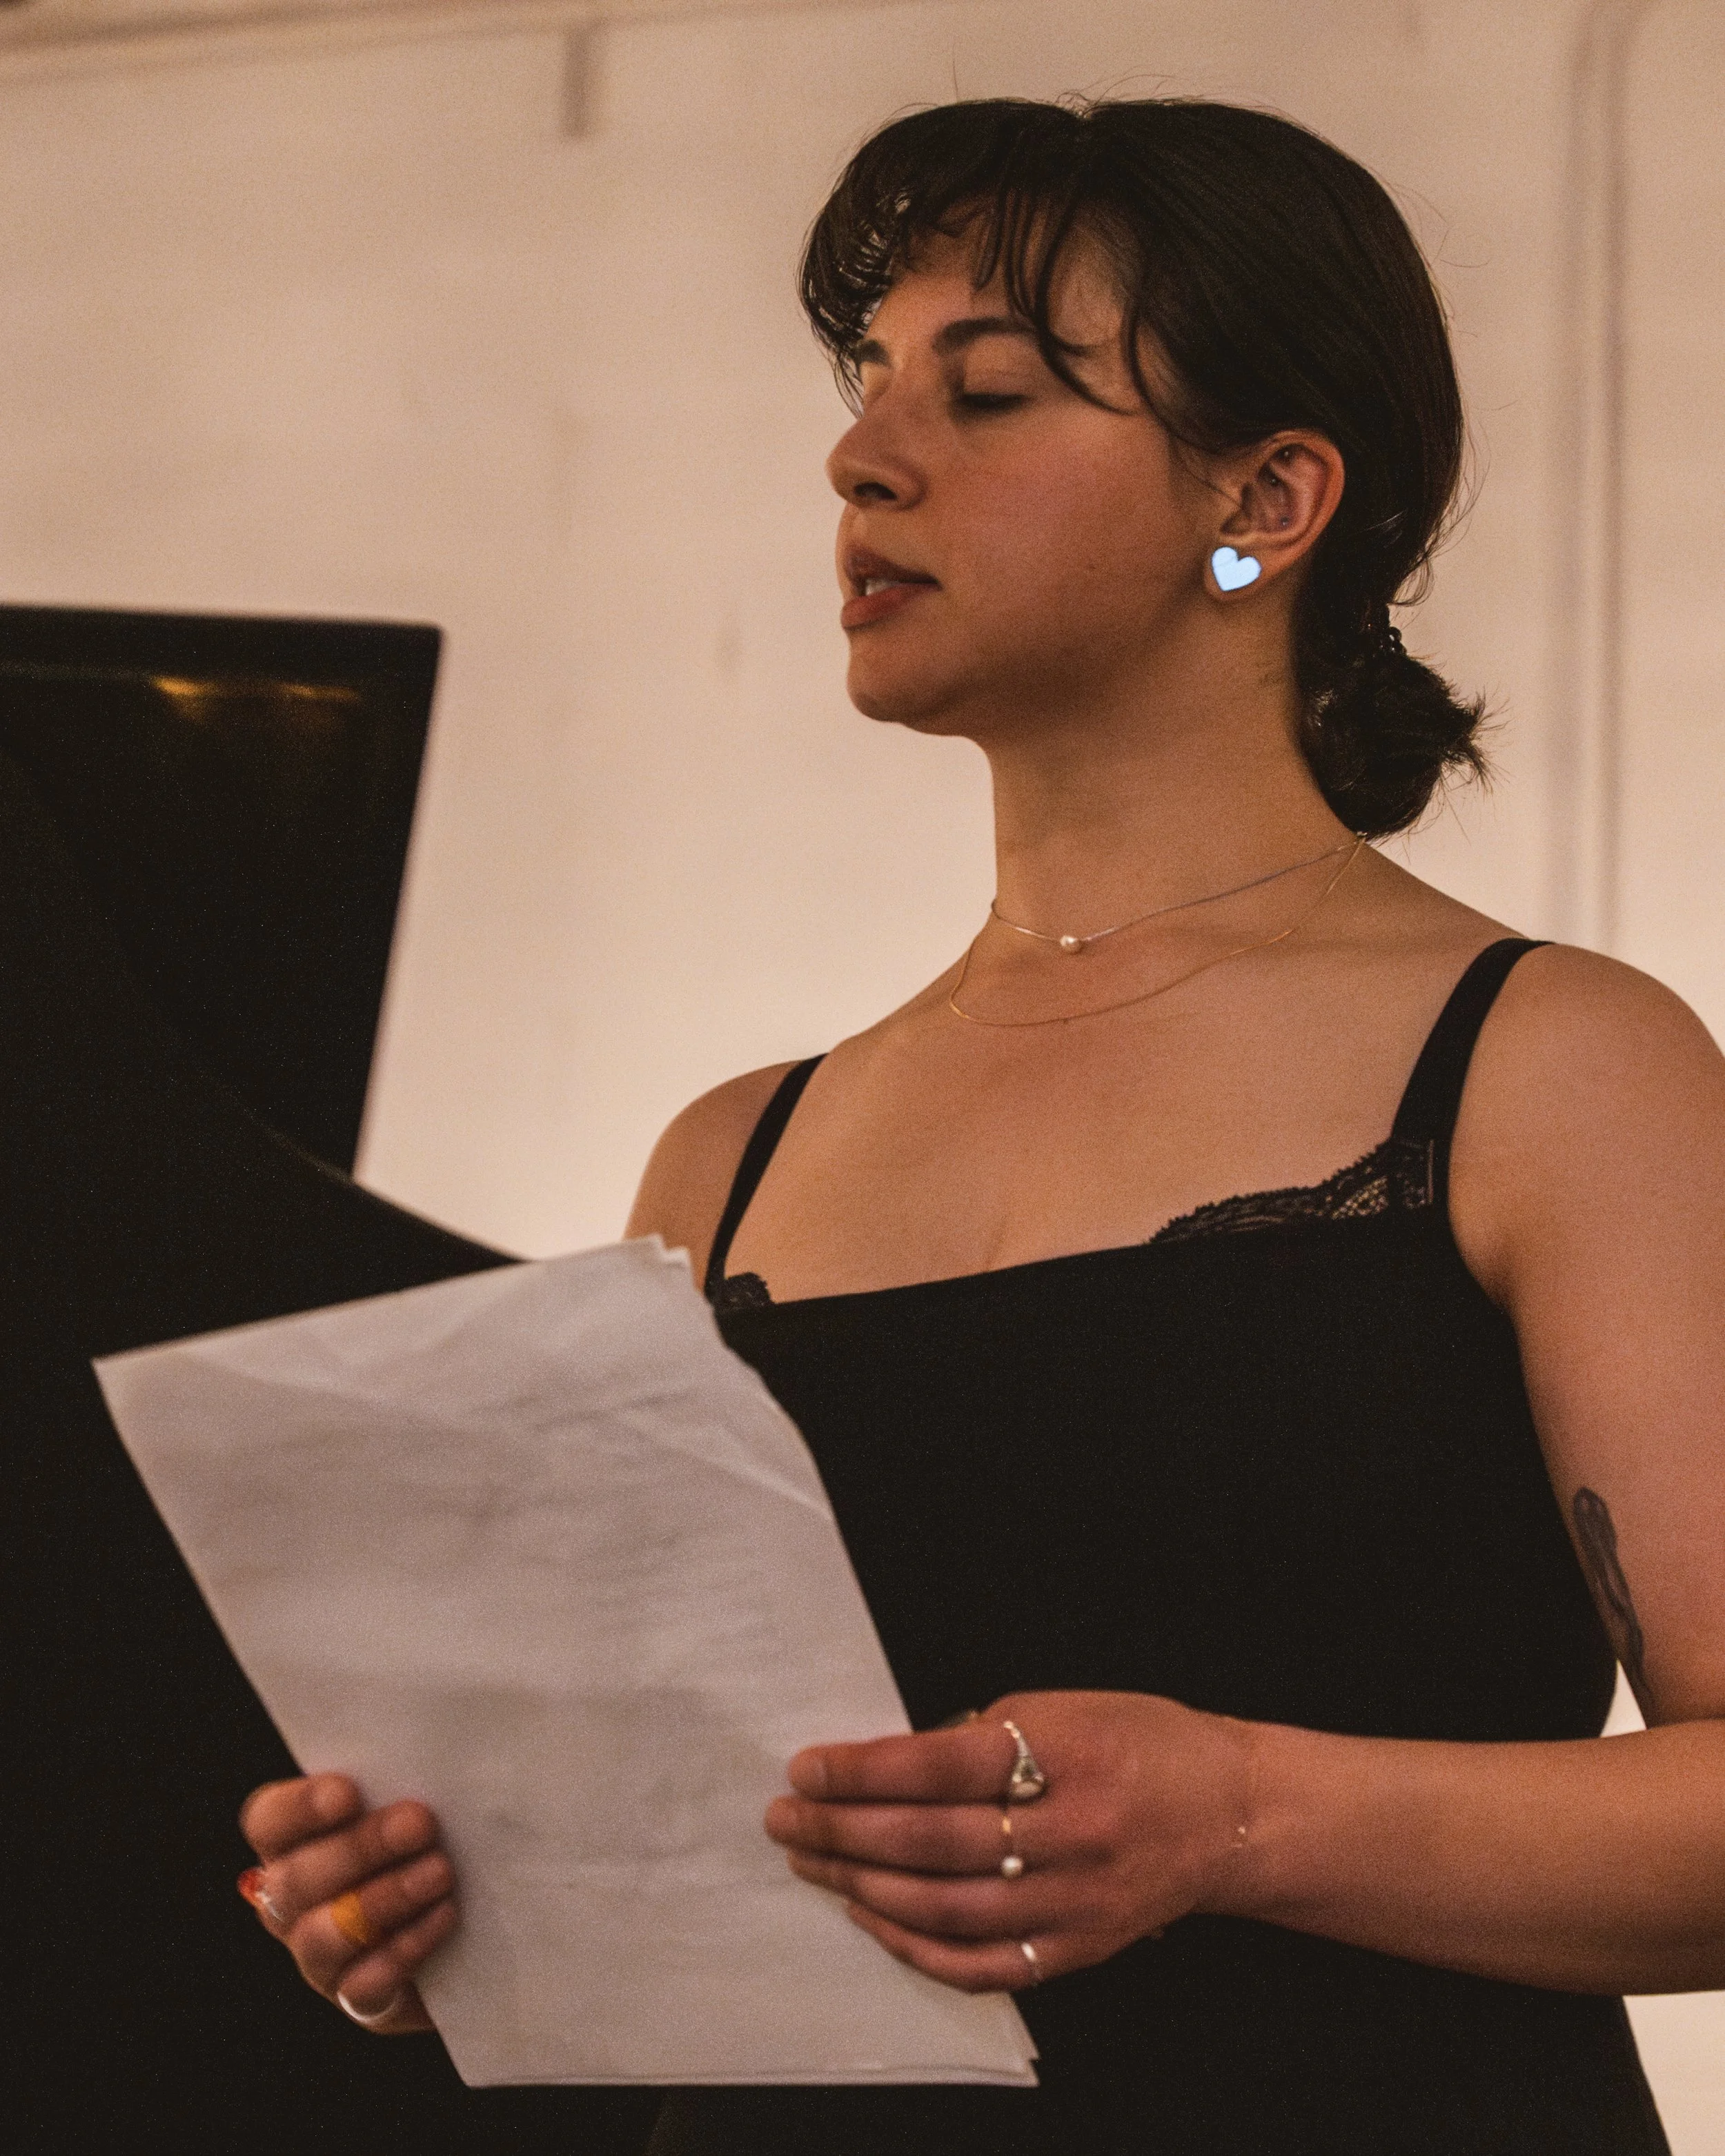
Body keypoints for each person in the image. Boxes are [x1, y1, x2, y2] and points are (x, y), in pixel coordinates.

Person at [233, 97, 1725, 2152]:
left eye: (993, 390)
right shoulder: (728, 1151)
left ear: (1266, 498)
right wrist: (441, 1900)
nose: (863, 453)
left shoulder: (1553, 1062)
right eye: (864, 385)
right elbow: (692, 1880)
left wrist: (1240, 1813)